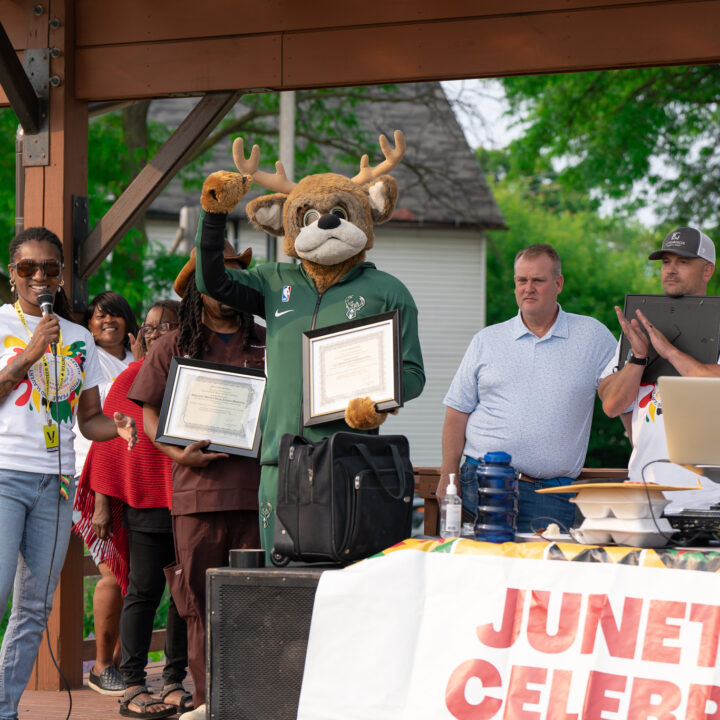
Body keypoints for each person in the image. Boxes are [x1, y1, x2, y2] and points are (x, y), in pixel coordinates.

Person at [0, 226, 137, 720]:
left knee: (34, 608)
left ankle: (5, 710)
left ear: (61, 276)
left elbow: (89, 420)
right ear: (12, 274)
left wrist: (119, 427)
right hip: (5, 473)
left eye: (50, 268)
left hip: (58, 483)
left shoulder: (79, 338)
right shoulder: (0, 325)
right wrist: (31, 353)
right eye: (27, 268)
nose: (39, 276)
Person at [127, 245, 265, 720]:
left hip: (257, 497)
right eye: (215, 275)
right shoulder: (172, 346)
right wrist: (176, 454)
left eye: (233, 274)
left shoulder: (269, 342)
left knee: (255, 605)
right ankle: (209, 704)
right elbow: (148, 418)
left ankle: (253, 702)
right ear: (196, 288)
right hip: (196, 498)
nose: (226, 284)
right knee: (200, 607)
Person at [437, 243, 616, 532]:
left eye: (538, 280)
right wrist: (449, 476)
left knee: (543, 575)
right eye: (522, 280)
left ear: (558, 283)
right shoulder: (487, 340)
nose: (528, 288)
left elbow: (623, 402)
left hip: (550, 493)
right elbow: (456, 414)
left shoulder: (593, 336)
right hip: (481, 483)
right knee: (478, 570)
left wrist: (643, 462)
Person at [74, 300, 191, 718]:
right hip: (144, 501)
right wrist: (103, 504)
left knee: (184, 595)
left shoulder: (193, 375)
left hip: (190, 499)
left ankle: (175, 679)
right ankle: (134, 683)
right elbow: (105, 450)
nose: (157, 333)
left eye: (168, 326)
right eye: (150, 327)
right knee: (142, 591)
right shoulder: (129, 376)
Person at [599, 226, 720, 511]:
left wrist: (669, 352)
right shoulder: (640, 325)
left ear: (707, 271)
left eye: (683, 261)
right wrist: (638, 358)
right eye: (666, 262)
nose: (671, 270)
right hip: (645, 495)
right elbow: (612, 404)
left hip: (708, 498)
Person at [77, 291, 140, 696]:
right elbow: (98, 427)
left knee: (138, 575)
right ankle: (101, 666)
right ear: (89, 323)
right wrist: (100, 497)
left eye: (115, 316)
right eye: (100, 317)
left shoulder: (138, 360)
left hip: (135, 478)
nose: (107, 322)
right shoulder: (87, 358)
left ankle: (116, 662)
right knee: (112, 574)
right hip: (96, 476)